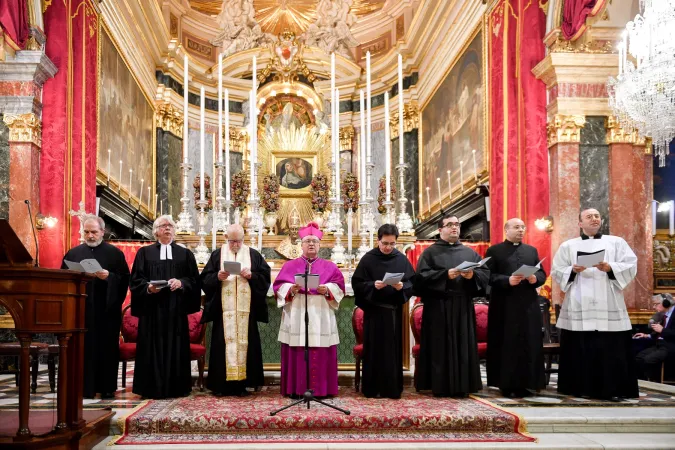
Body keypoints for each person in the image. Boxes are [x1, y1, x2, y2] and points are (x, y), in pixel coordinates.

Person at [552, 208, 639, 401]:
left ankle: (613, 389)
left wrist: (610, 268)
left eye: (597, 216)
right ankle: (578, 387)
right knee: (580, 346)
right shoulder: (568, 246)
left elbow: (631, 265)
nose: (594, 219)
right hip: (579, 301)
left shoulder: (616, 242)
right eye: (589, 217)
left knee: (610, 348)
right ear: (580, 223)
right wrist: (572, 270)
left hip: (609, 300)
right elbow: (557, 270)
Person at [414, 215, 489, 397]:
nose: (454, 228)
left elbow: (485, 275)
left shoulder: (470, 253)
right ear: (440, 230)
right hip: (438, 306)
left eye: (457, 224)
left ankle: (463, 385)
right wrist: (445, 275)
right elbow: (420, 279)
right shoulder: (430, 253)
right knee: (440, 346)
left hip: (462, 305)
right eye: (450, 225)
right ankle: (439, 385)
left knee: (463, 345)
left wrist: (473, 277)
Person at [129, 215, 201, 399]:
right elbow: (136, 279)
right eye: (163, 226)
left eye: (170, 226)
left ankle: (177, 387)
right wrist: (148, 287)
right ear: (156, 231)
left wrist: (182, 282)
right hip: (152, 311)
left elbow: (194, 280)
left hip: (175, 311)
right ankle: (150, 388)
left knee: (175, 347)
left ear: (174, 230)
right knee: (151, 348)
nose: (167, 228)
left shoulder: (185, 254)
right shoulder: (144, 253)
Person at [273, 222, 345, 398]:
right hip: (297, 312)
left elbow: (339, 287)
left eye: (314, 241)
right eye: (307, 241)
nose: (311, 244)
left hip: (321, 313)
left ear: (320, 245)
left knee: (321, 350)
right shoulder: (289, 266)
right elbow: (279, 286)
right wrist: (291, 289)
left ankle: (322, 390)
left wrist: (327, 289)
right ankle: (296, 389)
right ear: (301, 245)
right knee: (297, 349)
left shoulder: (331, 267)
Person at [61, 215, 129, 399]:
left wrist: (109, 277)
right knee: (83, 349)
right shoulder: (73, 253)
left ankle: (106, 387)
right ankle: (82, 387)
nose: (90, 236)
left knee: (106, 349)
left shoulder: (114, 254)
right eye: (87, 232)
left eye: (94, 232)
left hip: (106, 311)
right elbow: (63, 280)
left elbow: (124, 280)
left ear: (102, 231)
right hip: (80, 310)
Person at [200, 224, 271, 396]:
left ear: (243, 239)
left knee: (247, 344)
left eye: (238, 241)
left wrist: (252, 276)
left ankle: (244, 384)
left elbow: (265, 278)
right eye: (232, 241)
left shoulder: (253, 255)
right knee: (222, 345)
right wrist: (217, 277)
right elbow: (204, 279)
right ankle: (221, 385)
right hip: (223, 312)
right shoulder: (217, 255)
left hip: (246, 313)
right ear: (226, 238)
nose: (235, 245)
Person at [485, 218, 546, 398]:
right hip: (504, 305)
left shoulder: (531, 251)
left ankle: (530, 383)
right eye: (516, 227)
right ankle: (506, 384)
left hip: (528, 304)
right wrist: (507, 280)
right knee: (507, 343)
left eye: (522, 227)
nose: (521, 230)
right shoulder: (494, 251)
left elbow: (541, 272)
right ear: (506, 230)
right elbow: (487, 276)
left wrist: (536, 279)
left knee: (529, 341)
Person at [352, 224, 415, 399]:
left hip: (394, 314)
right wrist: (373, 285)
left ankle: (391, 389)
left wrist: (402, 286)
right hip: (374, 313)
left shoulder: (401, 259)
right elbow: (357, 284)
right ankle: (372, 388)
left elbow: (412, 282)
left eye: (392, 244)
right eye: (385, 243)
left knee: (392, 353)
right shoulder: (368, 259)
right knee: (374, 352)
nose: (388, 247)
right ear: (378, 240)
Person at [633, 294, 675, 381]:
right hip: (659, 345)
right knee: (639, 357)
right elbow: (659, 332)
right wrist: (646, 335)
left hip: (670, 346)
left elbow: (664, 331)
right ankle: (642, 382)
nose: (654, 306)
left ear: (665, 303)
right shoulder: (663, 314)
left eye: (656, 304)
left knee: (649, 359)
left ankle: (656, 383)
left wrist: (663, 330)